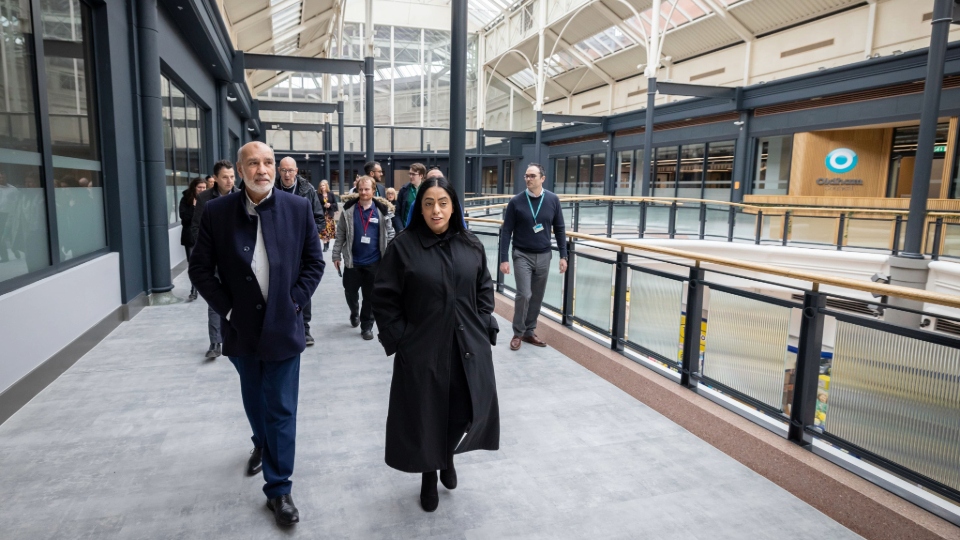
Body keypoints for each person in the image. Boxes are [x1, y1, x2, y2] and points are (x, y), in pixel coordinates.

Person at [189, 141, 324, 528]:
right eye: (254, 163)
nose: (263, 169)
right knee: (254, 401)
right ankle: (262, 444)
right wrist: (228, 309)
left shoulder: (298, 209)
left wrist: (294, 302)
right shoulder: (217, 212)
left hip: (284, 327)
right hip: (241, 330)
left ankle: (279, 489)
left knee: (281, 407)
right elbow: (200, 269)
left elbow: (314, 263)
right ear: (240, 169)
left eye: (268, 162)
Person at [372, 176, 500, 513]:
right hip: (424, 349)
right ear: (420, 208)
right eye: (428, 203)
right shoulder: (404, 246)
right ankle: (430, 474)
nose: (436, 210)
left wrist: (484, 322)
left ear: (453, 206)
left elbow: (484, 289)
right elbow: (384, 298)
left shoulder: (471, 244)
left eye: (443, 202)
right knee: (427, 414)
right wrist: (402, 339)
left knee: (463, 409)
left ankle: (447, 457)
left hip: (467, 347)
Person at [499, 163, 567, 351]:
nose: (528, 179)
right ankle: (518, 332)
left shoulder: (553, 200)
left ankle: (529, 331)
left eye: (532, 176)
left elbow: (560, 229)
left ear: (542, 179)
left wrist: (564, 255)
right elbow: (506, 231)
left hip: (544, 255)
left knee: (536, 296)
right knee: (524, 294)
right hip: (522, 254)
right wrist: (504, 258)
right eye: (526, 176)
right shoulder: (516, 201)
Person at [331, 175, 395, 340]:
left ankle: (367, 326)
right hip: (353, 261)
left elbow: (390, 233)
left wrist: (391, 255)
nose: (364, 192)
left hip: (374, 262)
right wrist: (336, 254)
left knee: (371, 296)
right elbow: (340, 234)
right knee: (350, 291)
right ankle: (354, 311)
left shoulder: (381, 210)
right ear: (357, 190)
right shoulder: (349, 210)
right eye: (361, 189)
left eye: (367, 189)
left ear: (373, 190)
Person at [191, 159, 238, 359]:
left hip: (238, 258)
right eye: (225, 177)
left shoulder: (241, 195)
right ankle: (215, 342)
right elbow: (196, 228)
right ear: (215, 179)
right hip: (215, 257)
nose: (229, 181)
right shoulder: (205, 199)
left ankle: (237, 335)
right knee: (214, 300)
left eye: (232, 177)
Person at [277, 157, 325, 347]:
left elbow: (319, 219)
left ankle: (304, 328)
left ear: (296, 171)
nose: (287, 175)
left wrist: (306, 237)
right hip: (278, 248)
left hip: (301, 248)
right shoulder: (271, 189)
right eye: (284, 171)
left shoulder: (308, 191)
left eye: (290, 171)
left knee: (303, 285)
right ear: (279, 171)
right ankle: (281, 325)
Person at [178, 177, 207, 301]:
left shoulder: (209, 199)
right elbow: (184, 217)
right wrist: (194, 207)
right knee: (193, 264)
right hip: (190, 237)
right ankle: (193, 290)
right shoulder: (186, 200)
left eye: (204, 188)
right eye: (199, 187)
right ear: (194, 188)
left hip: (206, 236)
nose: (201, 190)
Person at [395, 162, 425, 231]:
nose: (411, 176)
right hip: (406, 229)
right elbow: (397, 213)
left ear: (421, 175)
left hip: (422, 231)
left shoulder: (427, 190)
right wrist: (400, 229)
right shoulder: (403, 190)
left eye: (413, 174)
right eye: (410, 174)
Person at [317, 180, 338, 252]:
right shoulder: (318, 194)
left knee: (329, 230)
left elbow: (335, 203)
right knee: (323, 229)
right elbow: (317, 205)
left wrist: (330, 205)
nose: (322, 187)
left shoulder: (331, 193)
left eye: (323, 185)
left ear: (326, 186)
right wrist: (324, 205)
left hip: (329, 215)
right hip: (322, 215)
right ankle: (325, 244)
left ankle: (327, 242)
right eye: (321, 186)